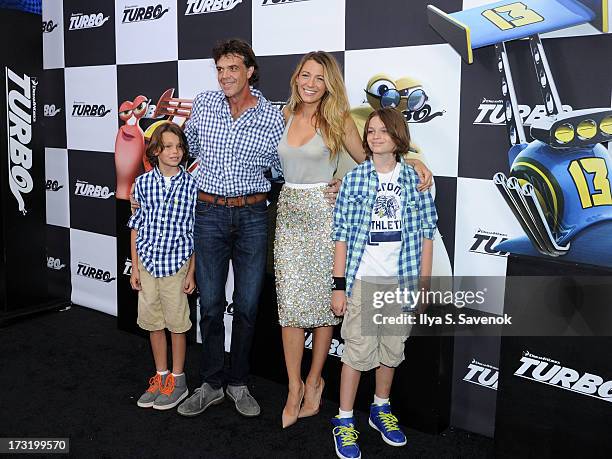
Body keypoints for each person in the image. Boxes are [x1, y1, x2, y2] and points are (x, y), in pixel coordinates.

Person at [275, 51, 434, 429]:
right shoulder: (282, 114)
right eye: (305, 75)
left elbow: (373, 161)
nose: (310, 83)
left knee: (327, 303)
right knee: (290, 307)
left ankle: (315, 381)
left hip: (324, 213)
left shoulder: (339, 119)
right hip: (288, 215)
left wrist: (411, 161)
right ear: (297, 78)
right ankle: (293, 386)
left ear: (330, 83)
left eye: (319, 77)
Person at [177, 38, 285, 418]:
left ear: (250, 71)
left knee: (249, 305)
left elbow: (284, 168)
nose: (224, 76)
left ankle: (238, 381)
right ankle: (211, 383)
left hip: (254, 216)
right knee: (209, 305)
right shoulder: (205, 104)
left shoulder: (272, 116)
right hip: (208, 212)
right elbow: (180, 147)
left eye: (233, 69)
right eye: (220, 70)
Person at [329, 108, 437, 459]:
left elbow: (426, 235)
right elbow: (341, 236)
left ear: (398, 137)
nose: (375, 136)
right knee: (357, 353)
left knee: (391, 351)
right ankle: (344, 420)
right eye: (371, 131)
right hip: (363, 282)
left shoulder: (414, 180)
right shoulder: (356, 179)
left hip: (402, 282)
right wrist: (339, 285)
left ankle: (380, 408)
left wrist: (423, 285)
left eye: (383, 131)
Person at [128, 123, 197, 411]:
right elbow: (135, 226)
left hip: (177, 264)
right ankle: (161, 375)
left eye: (179, 147)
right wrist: (134, 266)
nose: (175, 152)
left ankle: (178, 380)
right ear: (155, 150)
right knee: (153, 322)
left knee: (177, 324)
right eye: (168, 147)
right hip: (147, 263)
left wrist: (191, 271)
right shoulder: (142, 184)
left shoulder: (192, 185)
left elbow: (195, 232)